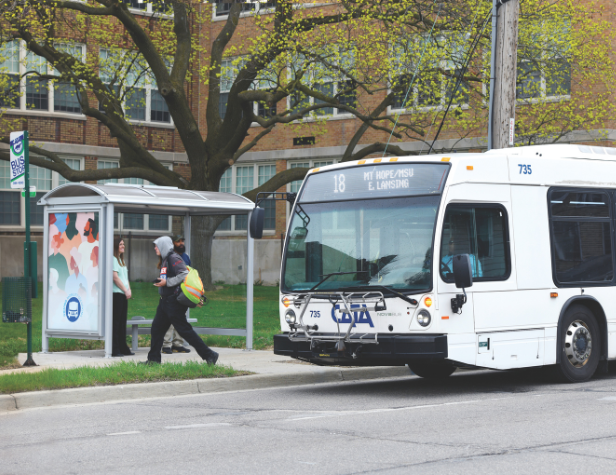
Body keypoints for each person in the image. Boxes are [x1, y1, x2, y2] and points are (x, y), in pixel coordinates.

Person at [143, 236, 219, 365]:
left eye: (156, 246)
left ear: (163, 246)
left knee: (185, 330)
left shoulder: (173, 258)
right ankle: (153, 360)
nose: (155, 248)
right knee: (156, 329)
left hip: (173, 303)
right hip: (165, 302)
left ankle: (209, 355)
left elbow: (184, 273)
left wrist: (167, 282)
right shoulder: (165, 260)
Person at [162, 235, 192, 354]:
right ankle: (165, 344)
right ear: (172, 243)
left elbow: (189, 272)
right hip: (170, 292)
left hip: (183, 292)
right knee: (169, 319)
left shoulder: (186, 256)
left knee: (181, 318)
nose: (181, 243)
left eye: (182, 241)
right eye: (178, 241)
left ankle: (178, 343)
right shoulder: (168, 257)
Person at [112, 237, 134, 357]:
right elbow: (115, 277)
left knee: (122, 323)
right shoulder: (113, 259)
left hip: (123, 294)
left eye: (123, 244)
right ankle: (115, 349)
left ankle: (122, 347)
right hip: (116, 295)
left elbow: (125, 278)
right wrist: (125, 290)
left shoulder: (121, 260)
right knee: (116, 323)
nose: (123, 246)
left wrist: (128, 289)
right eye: (120, 244)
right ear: (115, 246)